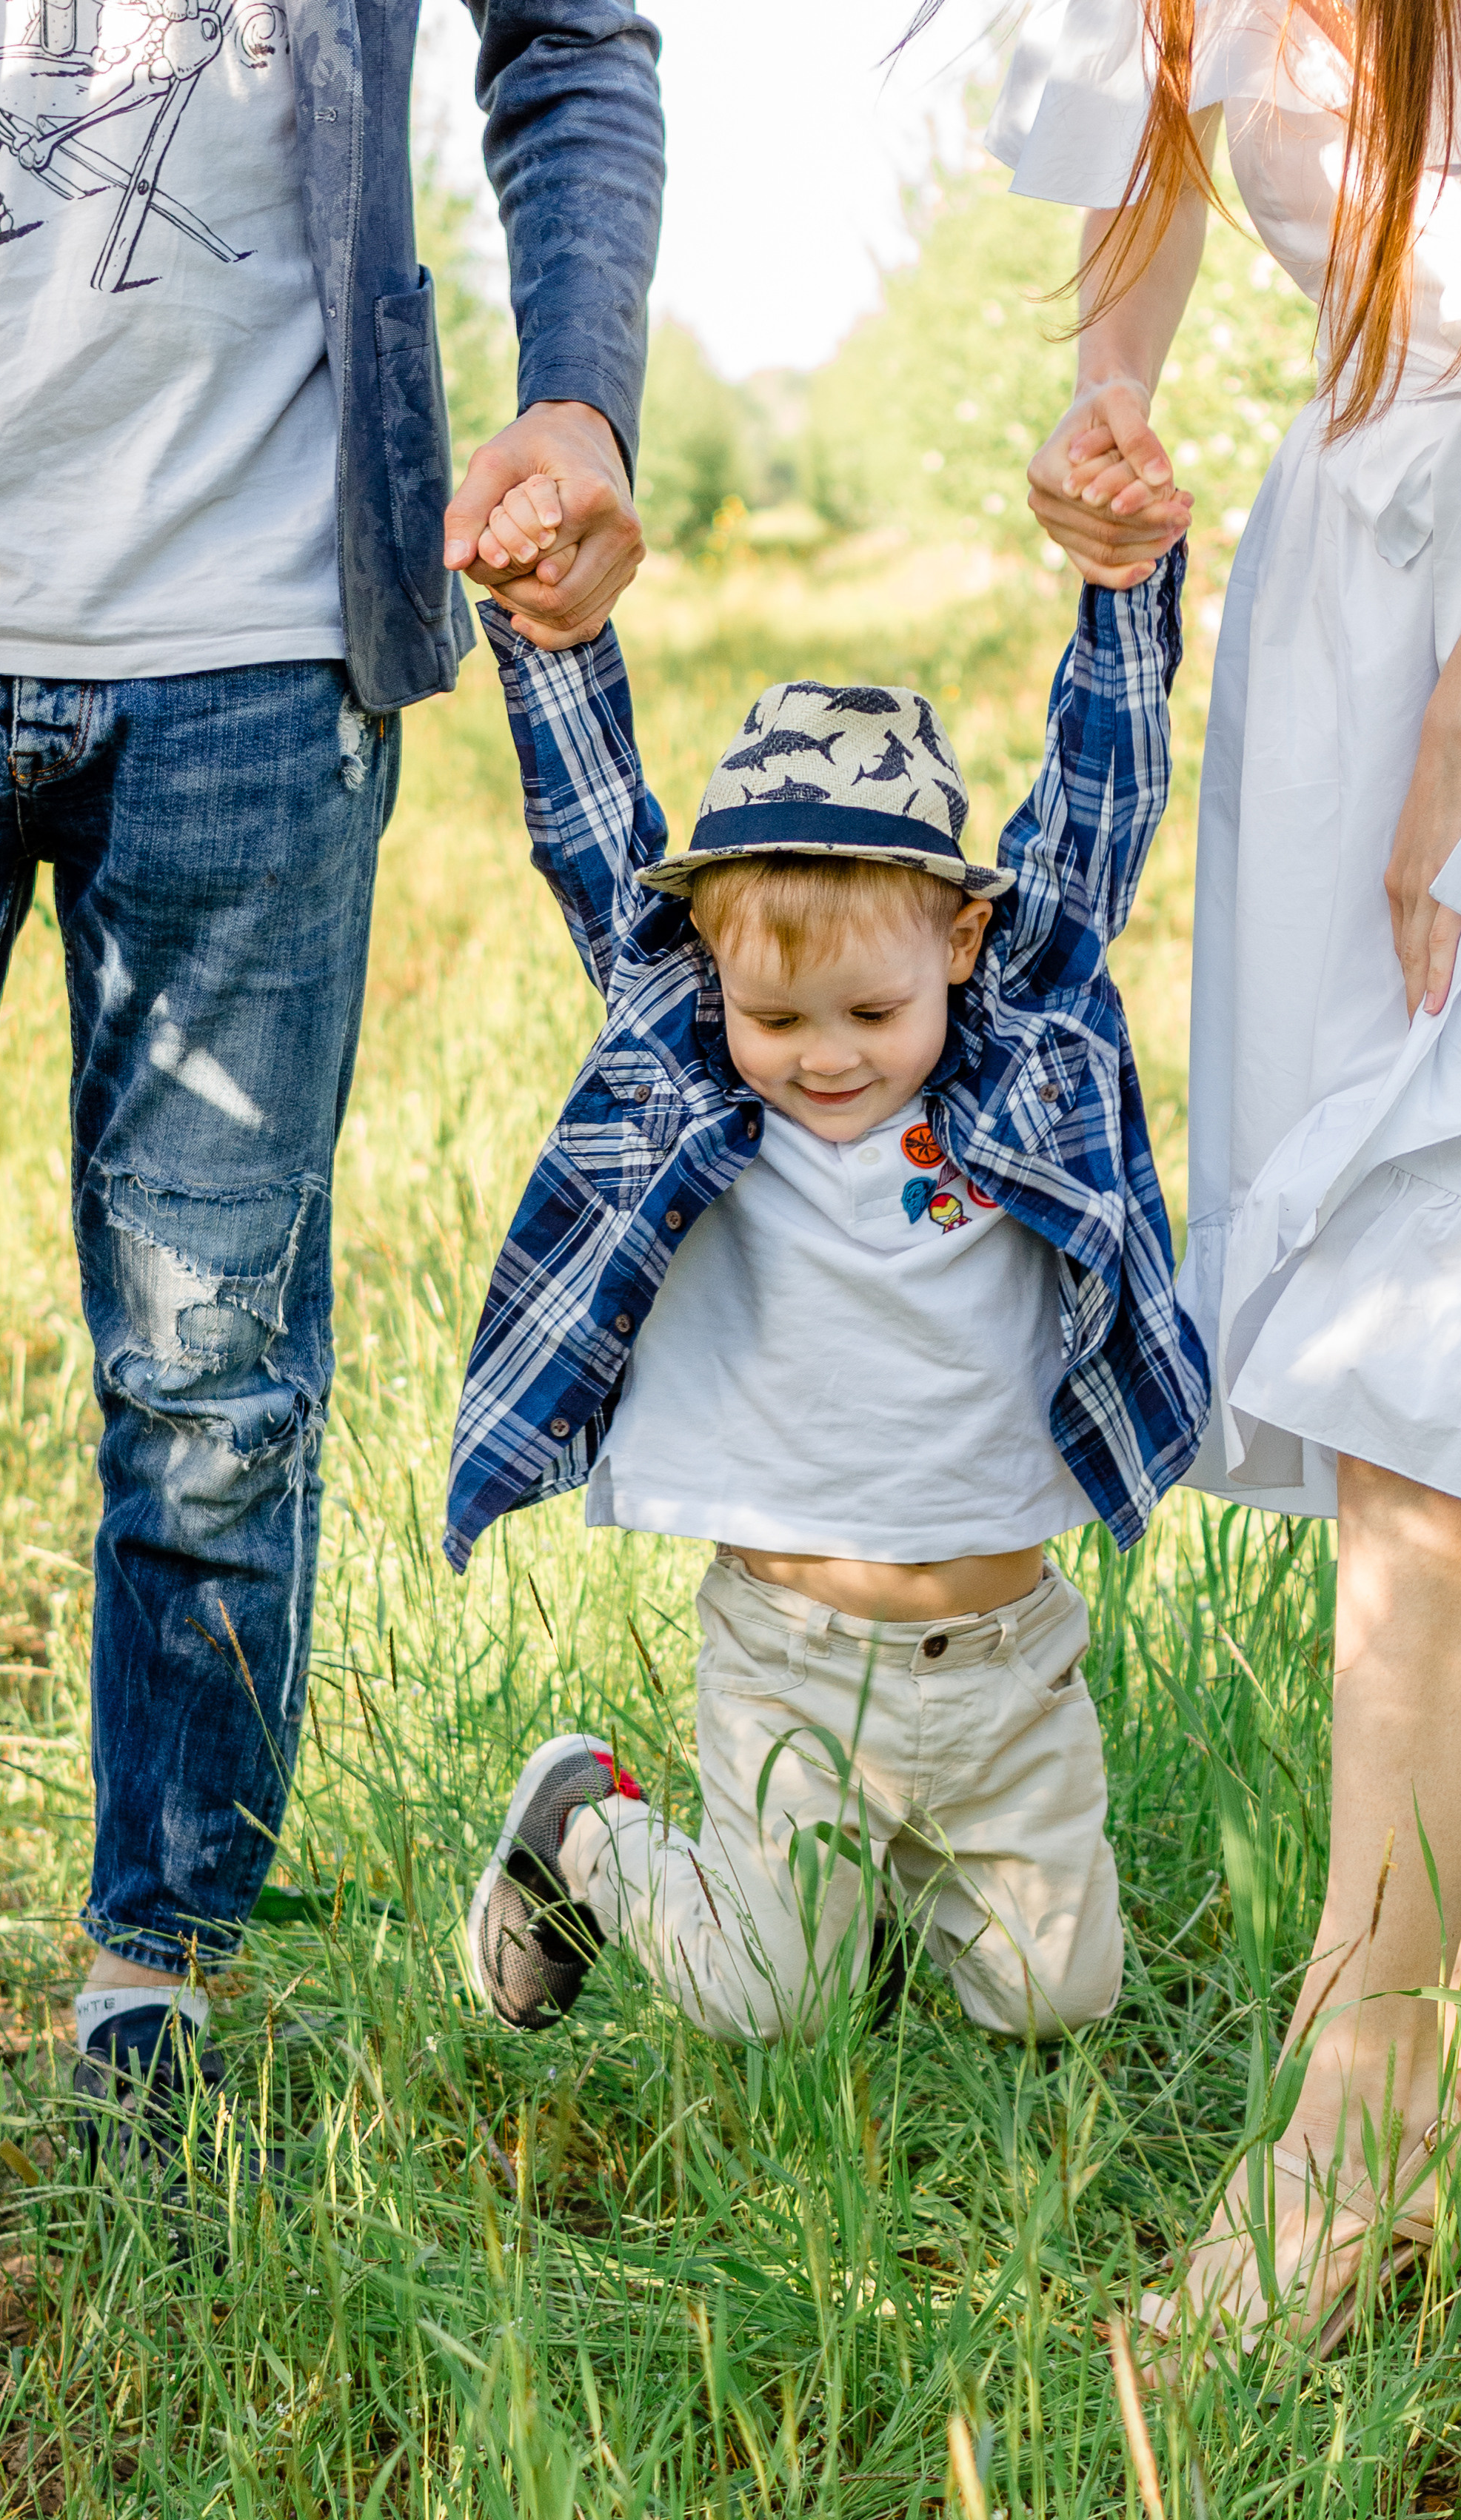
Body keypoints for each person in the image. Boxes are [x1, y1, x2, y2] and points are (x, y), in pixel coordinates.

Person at [994, 0, 1461, 2353]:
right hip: (1367, 578)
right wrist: (1111, 396)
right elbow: (1156, 153)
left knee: (1449, 1325)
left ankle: (1335, 2146)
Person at [0, 0, 663, 2151]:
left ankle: (164, 1977)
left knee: (211, 1371)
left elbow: (571, 44)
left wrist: (578, 391)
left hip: (253, 640)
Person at [441, 489, 1208, 2043]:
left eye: (873, 1013)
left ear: (963, 948)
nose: (827, 1058)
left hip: (1009, 1663)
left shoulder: (1020, 1053)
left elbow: (1099, 815)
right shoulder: (687, 1057)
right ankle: (592, 1831)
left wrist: (1124, 587)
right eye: (779, 1020)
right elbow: (599, 852)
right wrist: (555, 639)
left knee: (1057, 2000)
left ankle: (872, 1896)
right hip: (789, 1659)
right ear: (713, 971)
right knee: (767, 2010)